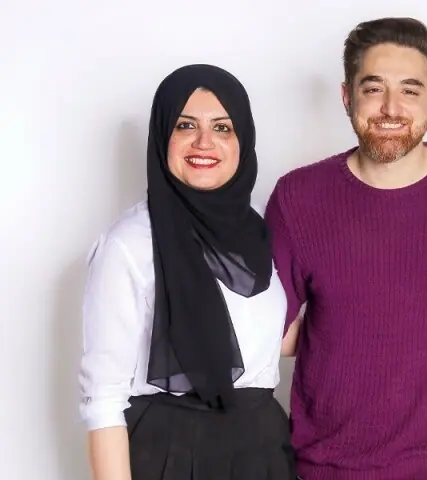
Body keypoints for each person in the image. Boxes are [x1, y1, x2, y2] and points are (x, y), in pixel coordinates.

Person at [265, 17, 427, 480]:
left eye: (410, 90)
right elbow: (271, 335)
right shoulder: (298, 197)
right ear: (346, 96)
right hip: (325, 468)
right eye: (373, 88)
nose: (391, 107)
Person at [78, 64, 296, 480]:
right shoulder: (129, 244)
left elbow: (275, 339)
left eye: (222, 127)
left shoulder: (259, 231)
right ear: (163, 136)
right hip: (171, 454)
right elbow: (102, 400)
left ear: (243, 140)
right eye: (185, 125)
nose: (204, 142)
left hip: (262, 449)